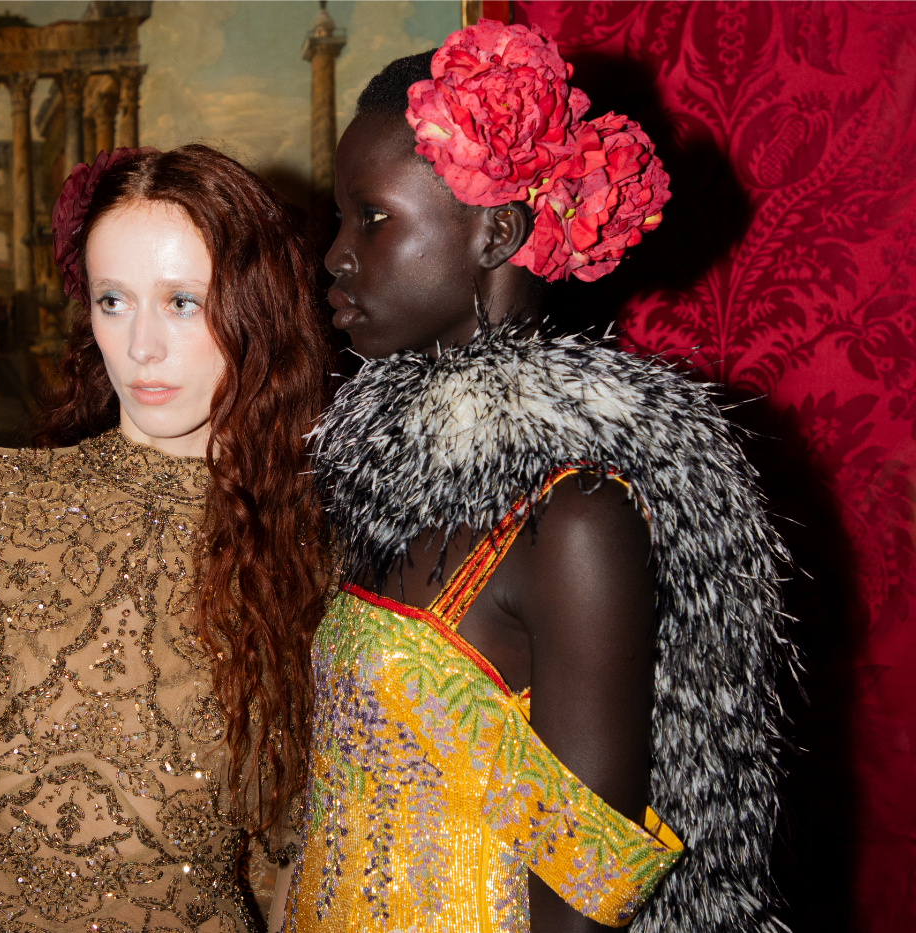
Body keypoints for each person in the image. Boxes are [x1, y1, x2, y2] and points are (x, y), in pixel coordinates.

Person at [283, 22, 789, 933]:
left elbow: (582, 900)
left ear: (496, 232)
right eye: (340, 219)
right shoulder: (392, 489)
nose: (336, 255)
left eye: (372, 217)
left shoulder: (573, 515)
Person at [0, 145, 330, 933]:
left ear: (258, 310)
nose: (141, 347)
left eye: (182, 302)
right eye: (113, 301)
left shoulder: (307, 558)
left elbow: (292, 872)